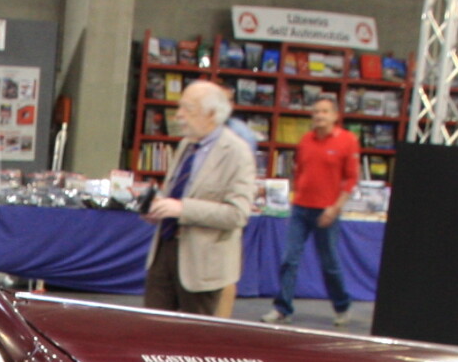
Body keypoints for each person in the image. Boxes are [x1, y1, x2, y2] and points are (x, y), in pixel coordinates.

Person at [143, 79, 259, 318]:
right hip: (164, 252)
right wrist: (159, 208)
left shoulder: (237, 153)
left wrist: (182, 209)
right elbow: (176, 192)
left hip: (203, 264)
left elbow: (237, 214)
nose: (178, 115)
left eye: (188, 109)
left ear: (212, 114)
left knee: (194, 336)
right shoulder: (186, 145)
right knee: (152, 329)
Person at [269, 94, 360, 325]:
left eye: (325, 111)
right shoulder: (306, 140)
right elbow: (299, 171)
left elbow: (351, 179)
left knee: (329, 264)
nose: (319, 116)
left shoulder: (347, 140)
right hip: (300, 208)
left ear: (335, 116)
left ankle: (342, 307)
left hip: (327, 211)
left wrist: (335, 208)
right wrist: (294, 197)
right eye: (316, 111)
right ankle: (282, 308)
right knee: (289, 259)